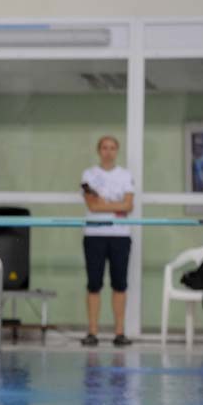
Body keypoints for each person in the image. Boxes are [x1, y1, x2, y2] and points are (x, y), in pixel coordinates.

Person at [80, 136, 134, 347]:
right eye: (105, 147)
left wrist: (106, 203)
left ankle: (119, 332)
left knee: (119, 284)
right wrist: (116, 205)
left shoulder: (125, 175)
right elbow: (92, 206)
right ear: (99, 150)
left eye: (112, 148)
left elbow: (128, 206)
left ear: (117, 151)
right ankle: (93, 332)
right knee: (94, 284)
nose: (108, 151)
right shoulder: (89, 175)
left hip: (120, 235)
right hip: (94, 235)